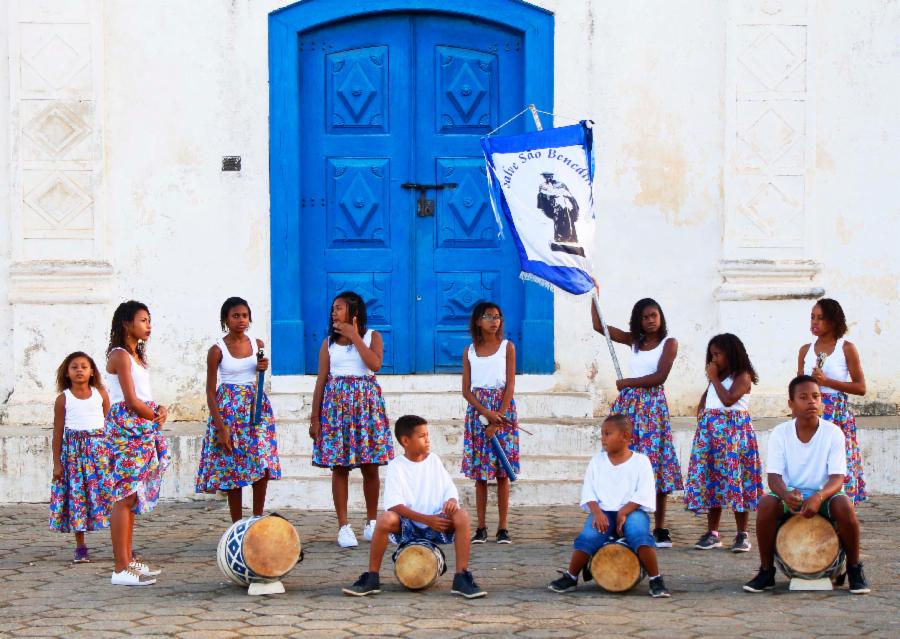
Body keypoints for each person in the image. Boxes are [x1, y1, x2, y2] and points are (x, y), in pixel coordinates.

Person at [743, 375, 870, 594]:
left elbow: (837, 478)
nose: (811, 401)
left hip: (825, 494)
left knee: (845, 506)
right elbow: (773, 478)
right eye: (803, 397)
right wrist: (785, 495)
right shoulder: (780, 433)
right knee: (765, 505)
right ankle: (766, 571)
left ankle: (854, 568)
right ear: (791, 404)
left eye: (816, 396)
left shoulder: (833, 432)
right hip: (792, 494)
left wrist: (819, 497)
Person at [342, 415, 486, 598]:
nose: (427, 440)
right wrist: (427, 520)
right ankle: (372, 577)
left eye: (428, 435)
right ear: (405, 441)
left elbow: (449, 488)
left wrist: (451, 501)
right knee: (385, 519)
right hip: (408, 524)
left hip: (438, 522)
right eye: (422, 436)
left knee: (462, 516)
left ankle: (461, 577)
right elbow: (394, 505)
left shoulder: (433, 460)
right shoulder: (397, 466)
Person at [590, 295, 682, 546]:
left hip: (652, 409)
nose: (650, 321)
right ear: (638, 322)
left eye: (654, 315)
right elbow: (601, 328)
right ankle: (624, 524)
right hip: (630, 408)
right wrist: (593, 293)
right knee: (626, 462)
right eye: (645, 317)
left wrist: (627, 383)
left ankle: (660, 528)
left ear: (660, 317)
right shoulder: (634, 341)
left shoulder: (668, 343)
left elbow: (659, 377)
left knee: (656, 466)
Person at [547, 415, 670, 597]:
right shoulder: (597, 461)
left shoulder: (641, 461)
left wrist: (624, 511)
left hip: (632, 510)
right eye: (602, 434)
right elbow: (589, 493)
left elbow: (644, 494)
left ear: (625, 436)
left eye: (608, 433)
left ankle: (656, 579)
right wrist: (596, 513)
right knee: (587, 537)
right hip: (602, 512)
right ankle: (571, 576)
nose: (603, 438)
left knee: (639, 535)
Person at [310, 291, 393, 547]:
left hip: (366, 406)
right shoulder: (328, 344)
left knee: (370, 466)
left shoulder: (372, 337)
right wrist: (315, 418)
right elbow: (321, 380)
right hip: (336, 410)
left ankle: (371, 522)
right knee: (340, 467)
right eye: (333, 308)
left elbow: (375, 364)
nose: (333, 312)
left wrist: (355, 336)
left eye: (339, 308)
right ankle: (344, 526)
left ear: (354, 313)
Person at [196, 297, 281, 521]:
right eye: (235, 316)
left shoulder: (258, 344)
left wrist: (262, 367)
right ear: (226, 319)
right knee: (233, 467)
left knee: (261, 462)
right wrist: (220, 426)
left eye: (244, 315)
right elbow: (210, 392)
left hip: (256, 408)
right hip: (229, 410)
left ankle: (257, 518)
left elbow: (259, 373)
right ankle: (237, 524)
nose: (241, 320)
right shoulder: (217, 349)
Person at [105, 300, 169, 586]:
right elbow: (130, 400)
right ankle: (120, 567)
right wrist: (153, 415)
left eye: (149, 320)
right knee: (124, 495)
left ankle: (129, 560)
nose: (148, 325)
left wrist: (159, 411)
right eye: (143, 320)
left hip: (141, 425)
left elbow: (143, 395)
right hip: (126, 427)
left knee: (132, 496)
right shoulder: (119, 355)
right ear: (126, 324)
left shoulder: (137, 355)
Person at [684, 334, 763, 552]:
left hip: (734, 439)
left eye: (718, 354)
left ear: (731, 354)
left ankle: (742, 533)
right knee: (714, 483)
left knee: (737, 482)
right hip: (712, 437)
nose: (714, 359)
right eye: (712, 355)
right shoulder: (716, 378)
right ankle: (713, 532)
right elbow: (707, 399)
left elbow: (729, 399)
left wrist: (714, 379)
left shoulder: (743, 376)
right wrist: (703, 414)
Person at [797, 298, 867, 503]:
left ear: (834, 321)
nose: (814, 323)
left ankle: (841, 506)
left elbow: (860, 387)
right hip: (811, 413)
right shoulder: (805, 350)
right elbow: (798, 385)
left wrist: (827, 382)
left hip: (836, 413)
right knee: (812, 459)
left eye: (821, 318)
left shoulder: (846, 348)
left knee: (837, 460)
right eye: (812, 317)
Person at [461, 301, 519, 545]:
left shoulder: (508, 347)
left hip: (503, 411)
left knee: (503, 473)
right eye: (488, 316)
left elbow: (510, 385)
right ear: (477, 321)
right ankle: (481, 527)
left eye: (498, 316)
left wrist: (498, 417)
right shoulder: (470, 351)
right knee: (481, 475)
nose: (494, 321)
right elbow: (466, 390)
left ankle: (503, 527)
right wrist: (485, 413)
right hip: (478, 412)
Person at [49, 351, 112, 563]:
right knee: (78, 499)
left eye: (84, 367)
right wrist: (57, 464)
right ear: (67, 373)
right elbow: (58, 433)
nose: (79, 370)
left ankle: (121, 545)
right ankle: (81, 546)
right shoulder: (63, 399)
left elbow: (110, 424)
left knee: (111, 498)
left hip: (99, 454)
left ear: (92, 371)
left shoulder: (100, 394)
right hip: (74, 456)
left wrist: (113, 454)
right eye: (74, 367)